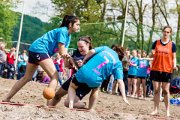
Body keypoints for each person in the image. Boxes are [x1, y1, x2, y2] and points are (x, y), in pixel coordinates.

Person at [2, 15, 80, 103]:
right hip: (40, 49)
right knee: (55, 76)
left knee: (27, 77)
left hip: (35, 49)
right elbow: (62, 52)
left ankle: (7, 98)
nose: (78, 27)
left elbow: (64, 57)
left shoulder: (68, 37)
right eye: (77, 24)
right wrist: (71, 59)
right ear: (70, 24)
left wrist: (69, 63)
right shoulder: (63, 31)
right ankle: (49, 104)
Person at [68, 45, 129, 111]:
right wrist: (124, 97)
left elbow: (91, 51)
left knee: (72, 86)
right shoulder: (118, 64)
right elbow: (120, 81)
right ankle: (90, 108)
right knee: (95, 90)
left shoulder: (106, 48)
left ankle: (71, 105)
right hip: (95, 79)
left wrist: (84, 60)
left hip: (84, 71)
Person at [48, 36, 93, 108]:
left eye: (81, 47)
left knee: (67, 103)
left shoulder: (93, 55)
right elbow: (67, 66)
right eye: (78, 47)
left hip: (85, 83)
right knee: (57, 95)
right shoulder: (77, 53)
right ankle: (50, 108)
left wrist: (83, 65)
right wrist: (66, 59)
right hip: (75, 79)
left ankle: (84, 105)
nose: (79, 49)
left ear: (88, 45)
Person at [150, 26, 176, 116]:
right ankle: (155, 109)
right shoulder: (156, 43)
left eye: (168, 32)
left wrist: (174, 65)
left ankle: (167, 111)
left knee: (165, 90)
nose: (166, 33)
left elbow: (174, 57)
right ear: (162, 32)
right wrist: (152, 54)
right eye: (164, 31)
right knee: (156, 90)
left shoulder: (172, 44)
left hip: (167, 70)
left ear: (170, 33)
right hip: (156, 68)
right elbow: (151, 55)